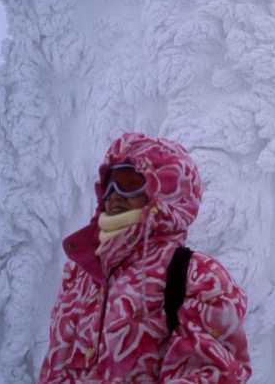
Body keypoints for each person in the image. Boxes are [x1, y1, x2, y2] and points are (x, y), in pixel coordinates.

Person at [37, 132, 251, 383]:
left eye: (129, 182)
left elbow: (211, 373)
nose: (114, 194)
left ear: (165, 192)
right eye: (109, 183)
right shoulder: (80, 275)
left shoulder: (198, 277)